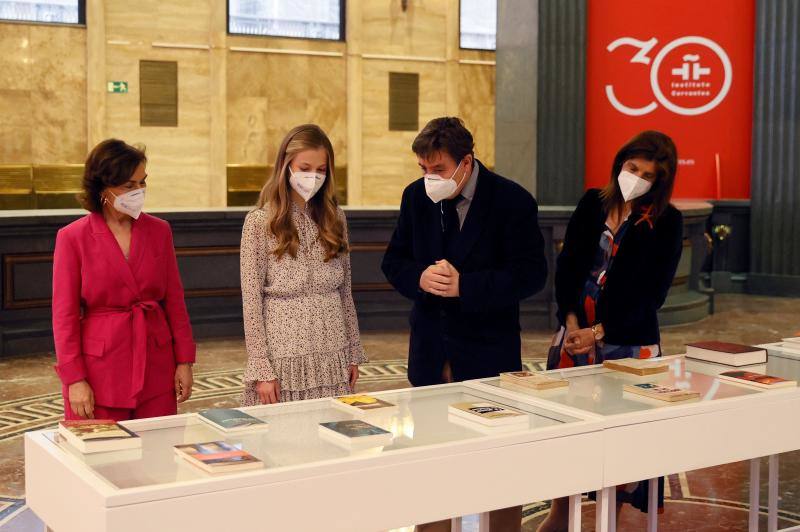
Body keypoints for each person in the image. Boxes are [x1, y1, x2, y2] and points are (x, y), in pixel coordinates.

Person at [381, 117, 547, 532]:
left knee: (496, 468)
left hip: (488, 352)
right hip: (431, 351)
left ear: (466, 162)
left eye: (437, 170)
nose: (428, 178)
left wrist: (466, 287)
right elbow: (393, 261)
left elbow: (531, 275)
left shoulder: (513, 201)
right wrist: (418, 277)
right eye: (422, 169)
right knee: (432, 465)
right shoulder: (415, 198)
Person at [538, 130, 683, 531]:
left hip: (628, 341)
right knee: (566, 432)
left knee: (622, 440)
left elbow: (652, 295)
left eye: (647, 174)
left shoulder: (666, 222)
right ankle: (559, 513)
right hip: (574, 335)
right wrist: (570, 322)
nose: (635, 177)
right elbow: (567, 267)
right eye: (631, 167)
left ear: (660, 182)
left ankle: (609, 520)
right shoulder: (592, 202)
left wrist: (599, 331)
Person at [52, 139, 196, 421]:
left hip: (156, 364)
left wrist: (184, 360)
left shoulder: (159, 231)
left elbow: (175, 301)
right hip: (99, 372)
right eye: (129, 186)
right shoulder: (72, 237)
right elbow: (64, 315)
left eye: (143, 183)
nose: (139, 192)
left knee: (158, 457)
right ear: (103, 187)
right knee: (101, 460)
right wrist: (74, 379)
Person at [240, 124, 366, 406]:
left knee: (332, 438)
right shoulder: (260, 222)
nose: (314, 176)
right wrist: (261, 367)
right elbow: (251, 301)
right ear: (286, 166)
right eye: (305, 167)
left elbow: (346, 293)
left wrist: (352, 351)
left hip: (333, 352)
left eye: (321, 170)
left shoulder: (336, 218)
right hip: (283, 357)